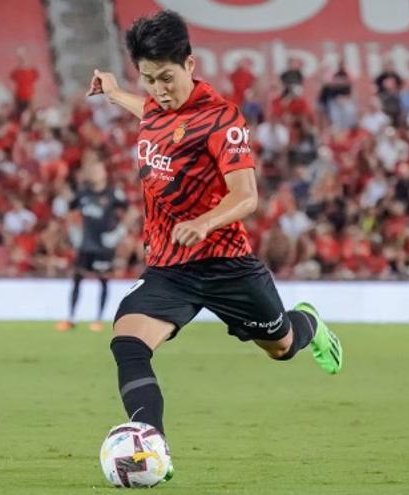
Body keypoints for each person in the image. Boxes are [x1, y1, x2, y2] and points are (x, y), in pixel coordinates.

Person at [87, 9, 343, 477]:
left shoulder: (221, 118)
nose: (160, 90)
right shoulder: (155, 106)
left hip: (227, 265)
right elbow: (146, 109)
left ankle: (308, 321)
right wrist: (113, 92)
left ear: (190, 64)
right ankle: (152, 445)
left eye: (167, 77)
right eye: (148, 79)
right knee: (127, 341)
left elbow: (247, 196)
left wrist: (204, 222)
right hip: (169, 267)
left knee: (282, 347)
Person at [56, 160, 127, 332]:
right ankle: (71, 317)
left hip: (104, 247)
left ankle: (98, 319)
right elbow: (69, 209)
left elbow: (129, 211)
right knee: (77, 279)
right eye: (92, 170)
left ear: (104, 173)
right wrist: (73, 230)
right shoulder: (83, 193)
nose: (94, 173)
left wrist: (118, 232)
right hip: (85, 245)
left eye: (97, 170)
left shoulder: (113, 194)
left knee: (103, 281)